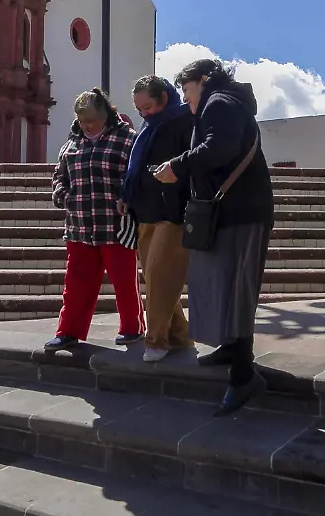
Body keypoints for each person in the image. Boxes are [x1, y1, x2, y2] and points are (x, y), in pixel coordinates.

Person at [153, 58, 273, 416]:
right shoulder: (221, 102)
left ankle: (243, 376)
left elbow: (218, 148)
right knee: (222, 285)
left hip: (239, 214)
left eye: (187, 90)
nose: (186, 98)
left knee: (234, 288)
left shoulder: (219, 102)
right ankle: (231, 349)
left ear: (202, 81)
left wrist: (177, 166)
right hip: (231, 214)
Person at [45, 89, 145, 350]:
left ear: (105, 117)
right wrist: (61, 194)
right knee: (76, 283)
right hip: (78, 226)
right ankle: (68, 331)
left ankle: (132, 328)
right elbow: (60, 175)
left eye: (92, 121)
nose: (87, 126)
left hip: (115, 226)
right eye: (82, 121)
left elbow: (135, 177)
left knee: (124, 281)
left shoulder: (127, 139)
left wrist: (126, 197)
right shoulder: (72, 142)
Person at [120, 75, 195, 363]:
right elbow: (136, 168)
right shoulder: (148, 127)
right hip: (145, 211)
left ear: (164, 97)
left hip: (173, 212)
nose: (143, 113)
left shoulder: (184, 121)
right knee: (155, 278)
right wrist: (127, 195)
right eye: (139, 109)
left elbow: (192, 162)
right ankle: (179, 335)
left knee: (159, 275)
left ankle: (157, 341)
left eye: (148, 106)